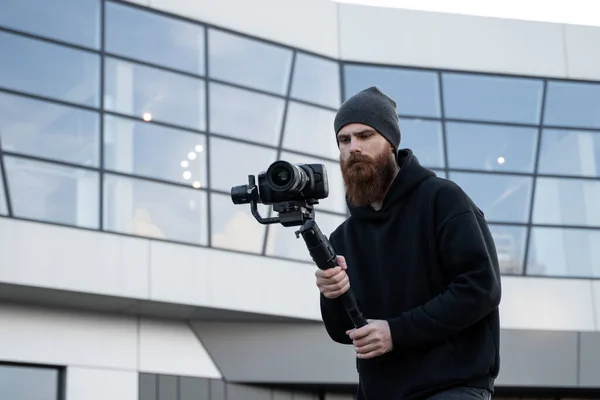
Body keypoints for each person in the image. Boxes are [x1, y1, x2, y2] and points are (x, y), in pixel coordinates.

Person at [315, 86, 502, 400]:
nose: (353, 148)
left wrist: (396, 332)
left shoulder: (443, 200)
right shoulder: (342, 237)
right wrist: (332, 295)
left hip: (450, 388)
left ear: (390, 143)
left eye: (364, 136)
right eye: (344, 140)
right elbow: (342, 331)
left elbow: (480, 287)